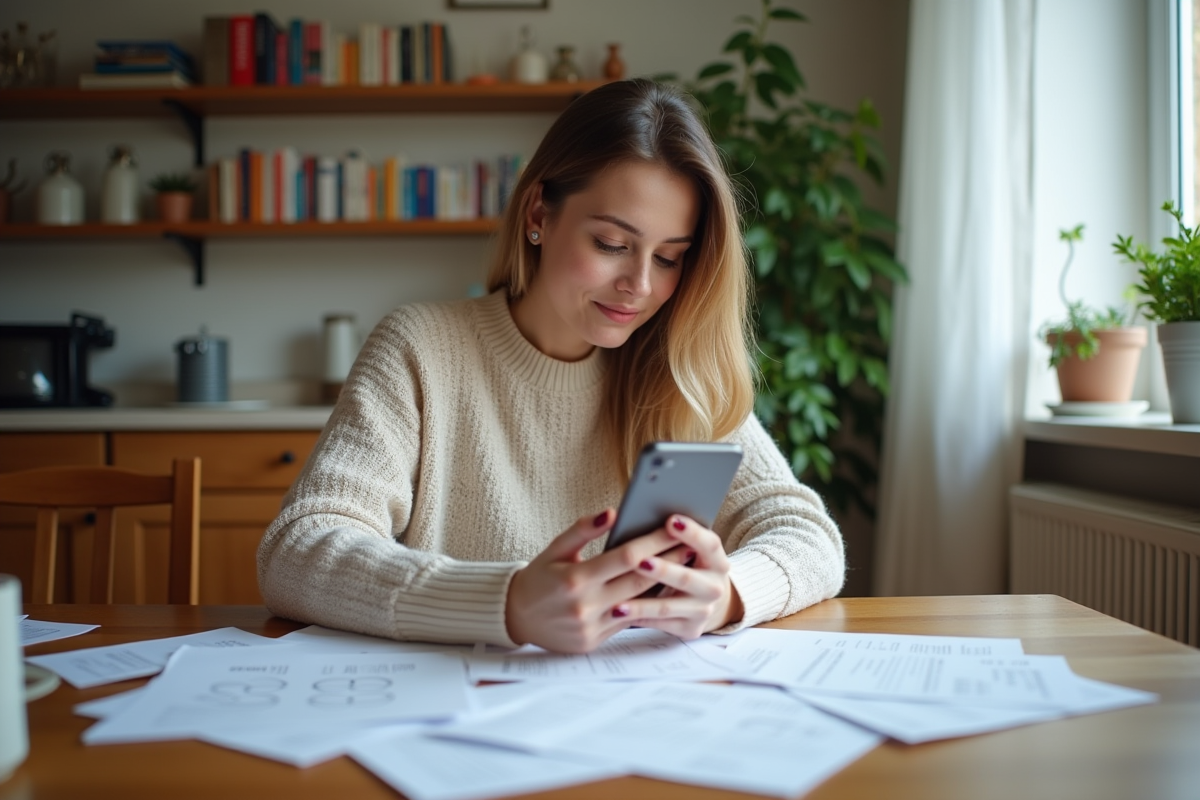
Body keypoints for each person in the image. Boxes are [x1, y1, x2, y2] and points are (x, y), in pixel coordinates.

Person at [257, 78, 844, 654]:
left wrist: (727, 596)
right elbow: (298, 549)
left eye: (669, 258)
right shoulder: (422, 348)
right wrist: (506, 603)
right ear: (540, 211)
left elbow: (807, 535)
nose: (639, 285)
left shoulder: (674, 369)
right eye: (612, 244)